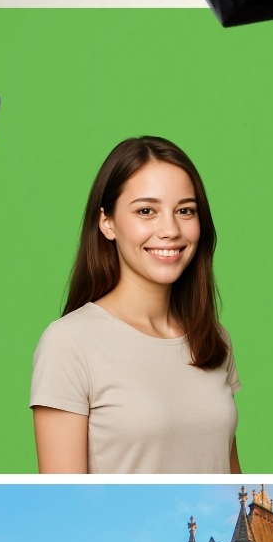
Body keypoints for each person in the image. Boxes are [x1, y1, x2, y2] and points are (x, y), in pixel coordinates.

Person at [32, 136, 241, 473]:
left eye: (185, 210)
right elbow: (65, 495)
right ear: (107, 222)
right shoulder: (68, 343)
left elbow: (230, 474)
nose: (170, 229)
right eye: (147, 211)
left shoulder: (214, 338)